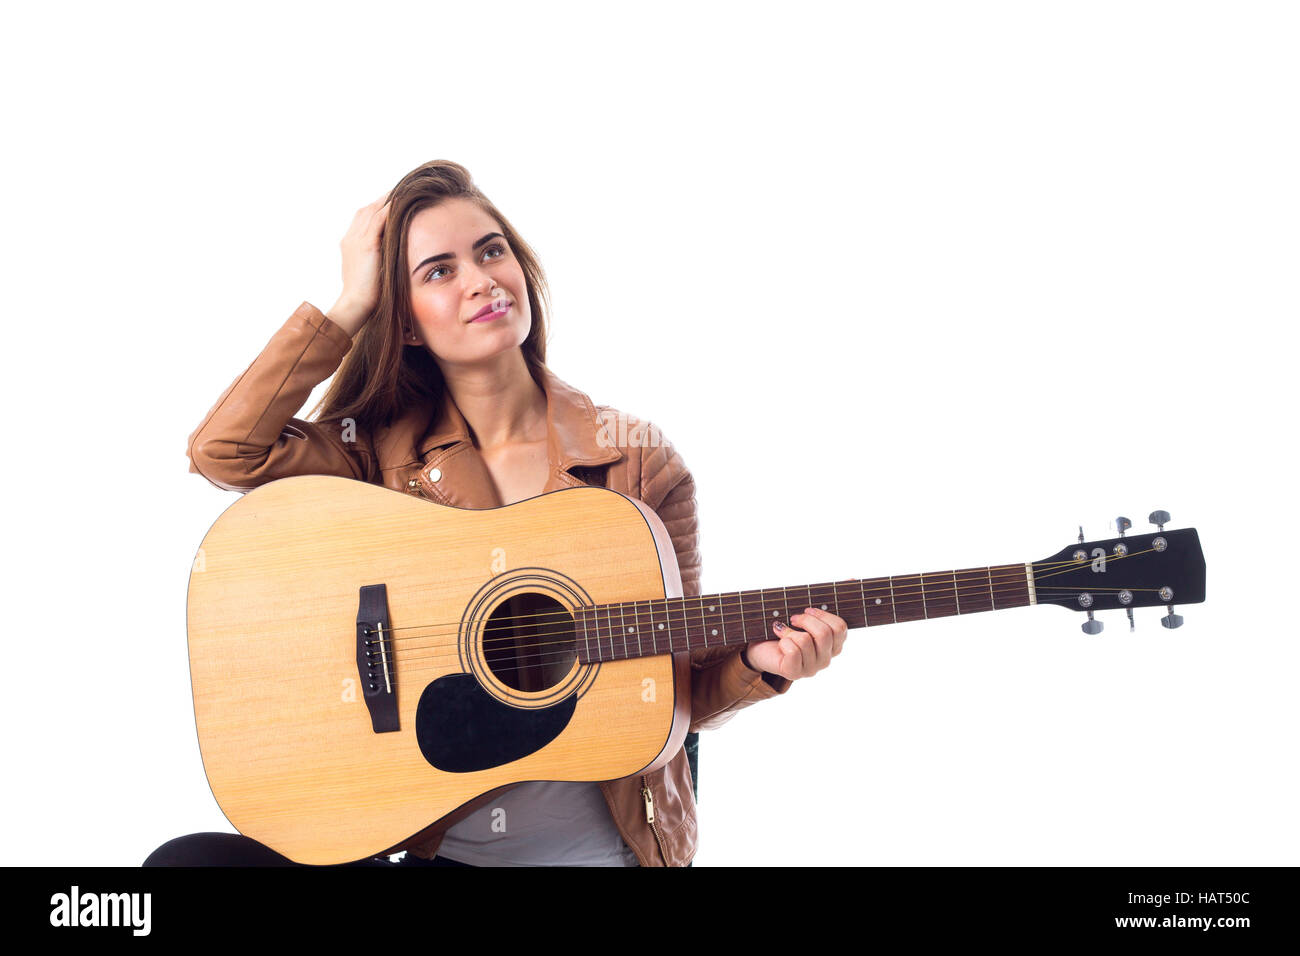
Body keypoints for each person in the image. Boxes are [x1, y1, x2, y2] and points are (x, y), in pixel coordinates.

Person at [148, 160, 846, 867]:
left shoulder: (636, 462)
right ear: (406, 324)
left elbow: (679, 684)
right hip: (438, 855)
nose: (480, 280)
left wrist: (760, 666)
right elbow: (223, 453)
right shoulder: (380, 458)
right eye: (438, 271)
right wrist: (348, 305)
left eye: (490, 251)